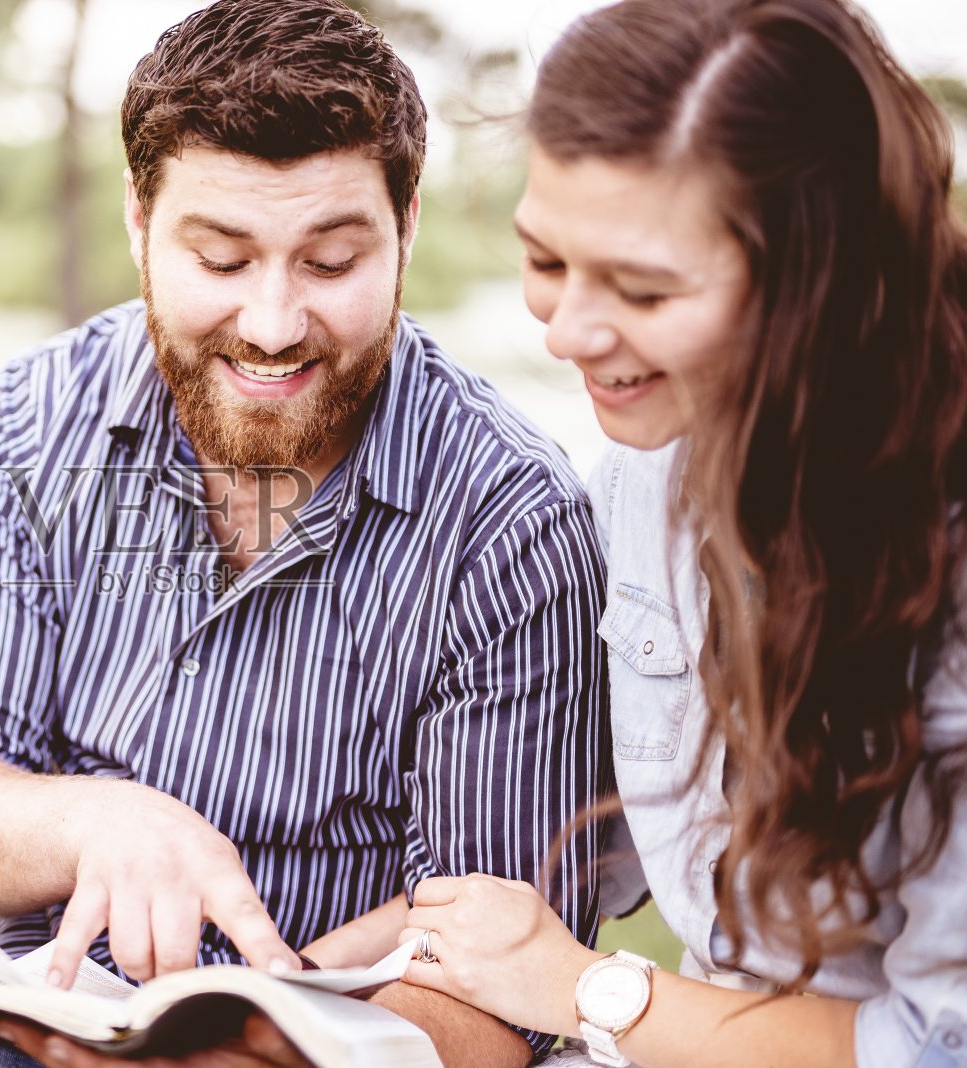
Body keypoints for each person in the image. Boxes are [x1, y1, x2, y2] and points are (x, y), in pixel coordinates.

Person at [0, 1, 610, 1065]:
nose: (274, 324)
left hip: (363, 1031)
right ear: (138, 221)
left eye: (331, 263)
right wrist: (99, 820)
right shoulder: (26, 428)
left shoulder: (513, 521)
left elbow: (507, 971)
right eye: (223, 259)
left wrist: (260, 1040)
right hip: (43, 998)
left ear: (407, 226)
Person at [394, 0, 967, 1065]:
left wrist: (588, 988)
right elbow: (562, 859)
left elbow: (934, 1046)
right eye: (546, 262)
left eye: (644, 290)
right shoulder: (640, 480)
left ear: (816, 281)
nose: (568, 332)